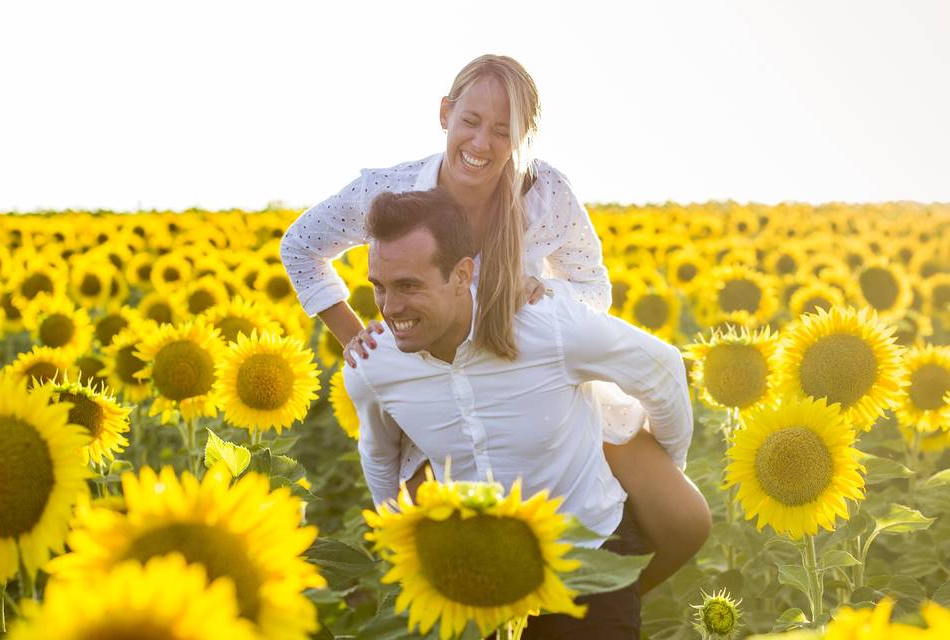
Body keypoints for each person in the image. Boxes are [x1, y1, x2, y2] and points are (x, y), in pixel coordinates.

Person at [280, 54, 710, 594]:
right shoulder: (387, 193)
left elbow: (592, 285)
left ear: (524, 137)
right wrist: (354, 337)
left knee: (683, 520)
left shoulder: (545, 194)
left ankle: (602, 605)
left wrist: (546, 294)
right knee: (444, 569)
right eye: (471, 122)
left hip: (535, 378)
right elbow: (300, 246)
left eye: (503, 131)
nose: (482, 144)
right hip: (436, 388)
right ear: (445, 115)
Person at [345, 188, 693, 638]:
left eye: (409, 286)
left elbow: (662, 367)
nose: (391, 308)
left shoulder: (544, 325)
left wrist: (670, 463)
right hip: (475, 580)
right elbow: (378, 455)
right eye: (380, 287)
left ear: (462, 274)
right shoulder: (375, 366)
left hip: (584, 563)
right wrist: (401, 548)